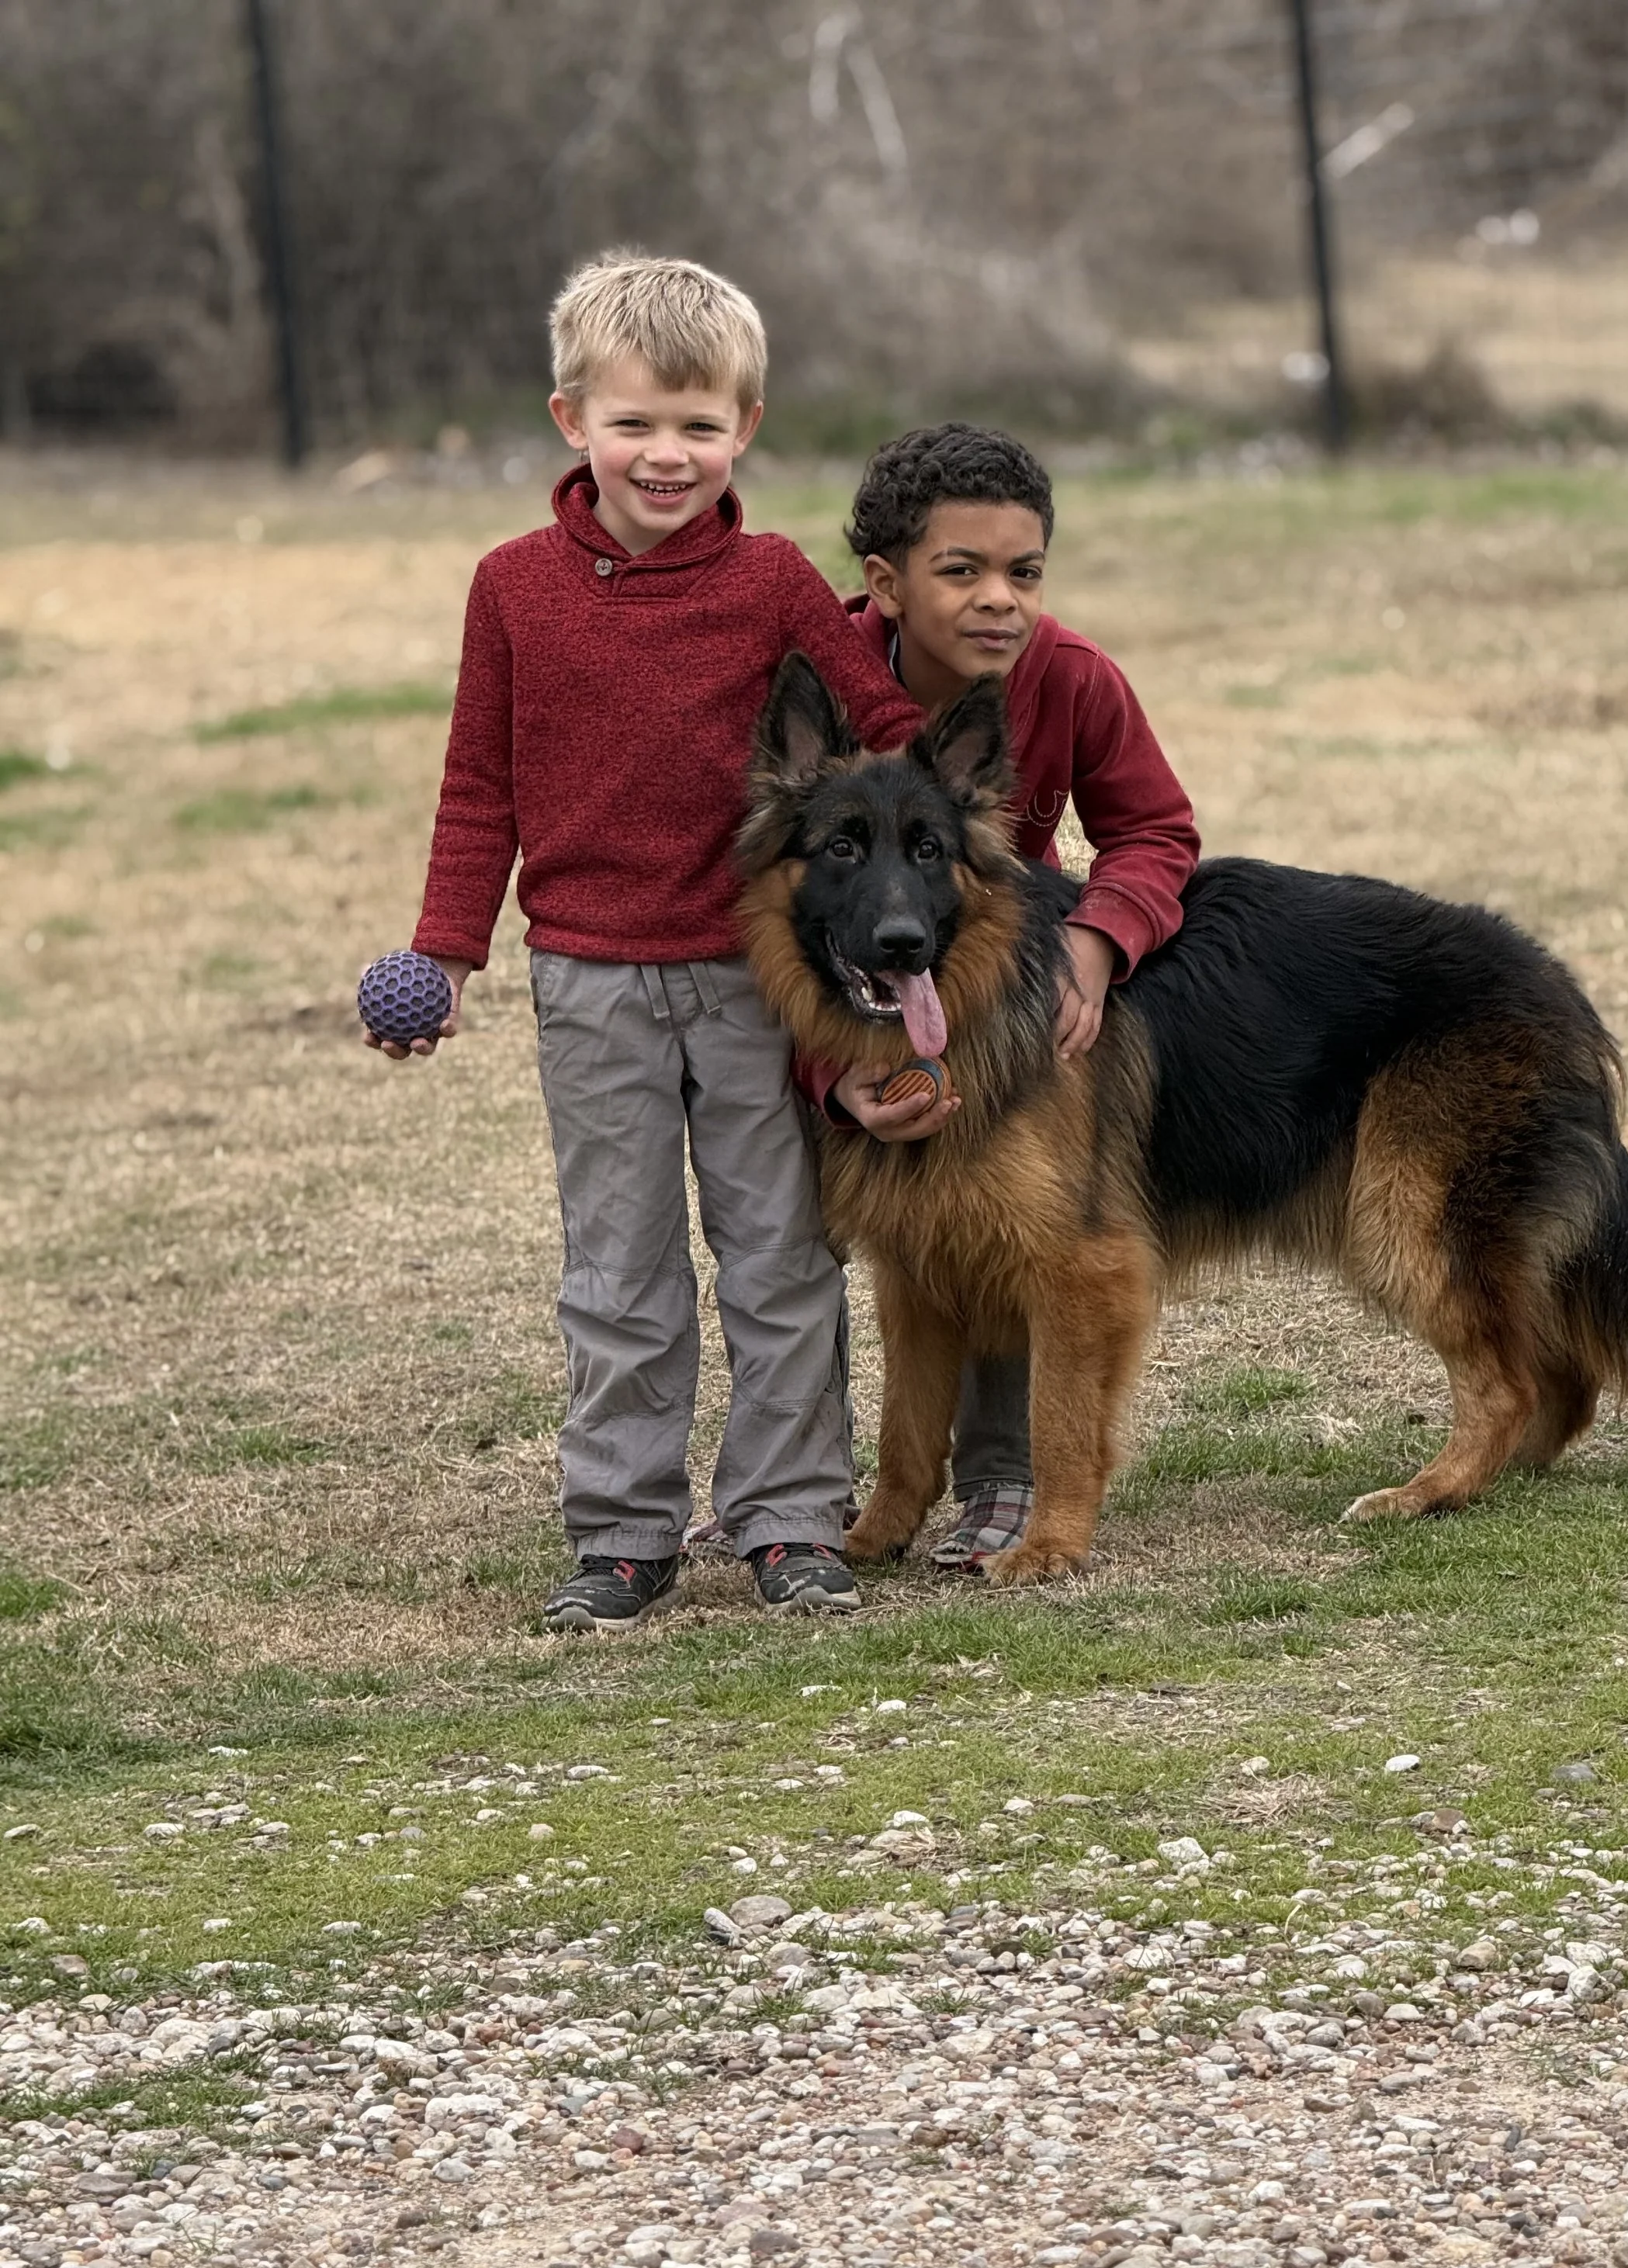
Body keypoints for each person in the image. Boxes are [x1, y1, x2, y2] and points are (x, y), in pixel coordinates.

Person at [364, 250, 917, 1631]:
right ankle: (623, 1531)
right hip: (588, 980)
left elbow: (885, 736)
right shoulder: (511, 588)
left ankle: (790, 1520)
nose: (666, 456)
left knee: (782, 1252)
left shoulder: (780, 582)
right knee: (620, 1267)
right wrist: (446, 952)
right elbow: (477, 785)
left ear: (746, 430)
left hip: (754, 978)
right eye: (635, 424)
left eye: (698, 426)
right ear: (572, 423)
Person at [823, 421, 1200, 1573]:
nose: (1001, 600)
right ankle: (804, 1488)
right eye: (963, 571)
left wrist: (1098, 940)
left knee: (1020, 1229)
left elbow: (1154, 829)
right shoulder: (826, 685)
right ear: (885, 583)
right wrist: (832, 1070)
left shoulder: (1071, 675)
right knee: (894, 1246)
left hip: (1008, 972)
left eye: (1024, 573)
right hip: (857, 983)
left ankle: (1012, 1482)